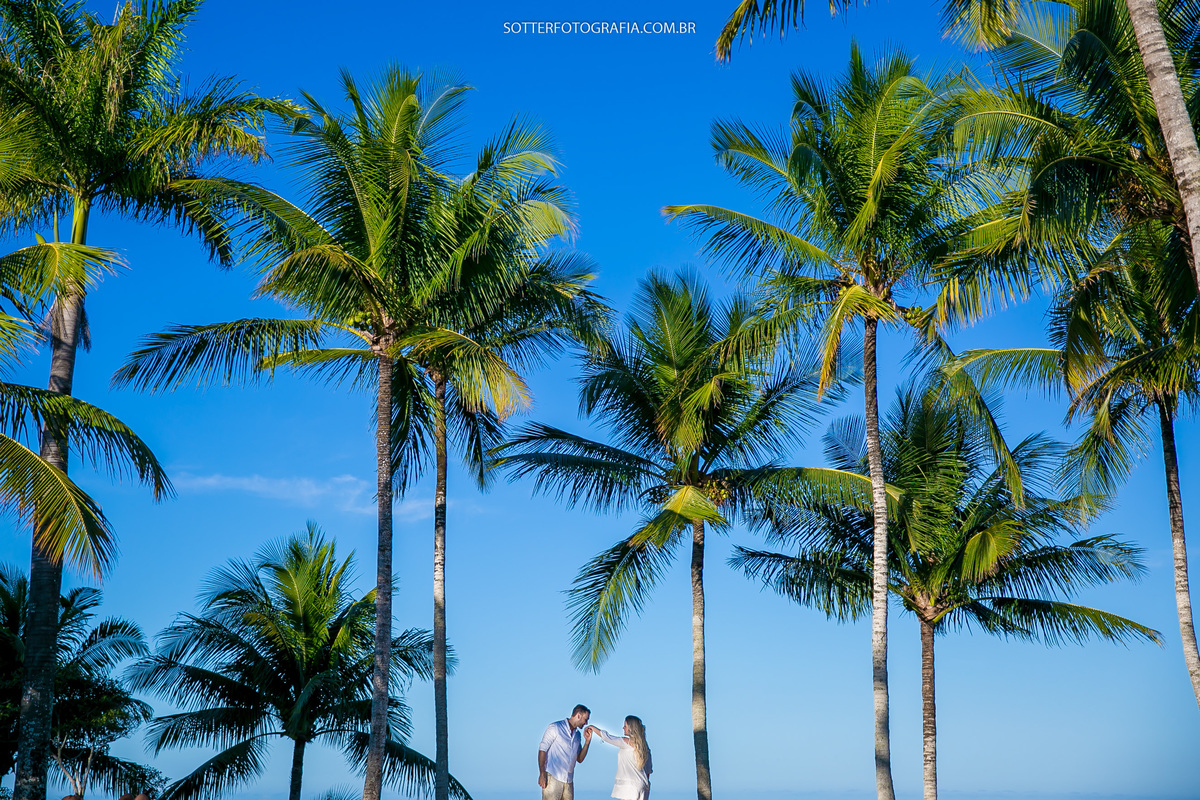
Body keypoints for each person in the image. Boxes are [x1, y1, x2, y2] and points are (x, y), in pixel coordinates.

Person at [584, 716, 653, 800]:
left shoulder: (626, 743)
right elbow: (648, 772)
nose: (623, 728)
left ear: (631, 728)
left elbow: (607, 737)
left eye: (625, 726)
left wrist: (592, 727)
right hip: (643, 786)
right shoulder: (645, 749)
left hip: (630, 787)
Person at [537, 704, 593, 800]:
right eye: (585, 719)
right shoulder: (555, 727)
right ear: (578, 715)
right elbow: (542, 749)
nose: (586, 723)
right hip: (553, 778)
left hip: (568, 782)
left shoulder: (577, 735)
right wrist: (542, 773)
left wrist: (587, 742)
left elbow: (579, 759)